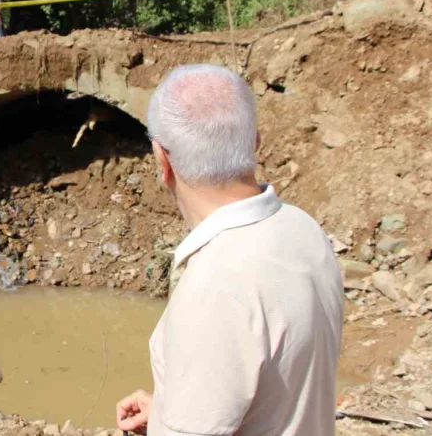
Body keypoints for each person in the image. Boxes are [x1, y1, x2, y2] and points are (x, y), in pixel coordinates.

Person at [116, 64, 343, 436]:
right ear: (254, 142)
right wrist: (170, 412)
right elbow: (273, 393)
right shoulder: (304, 229)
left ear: (162, 160)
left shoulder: (215, 285)